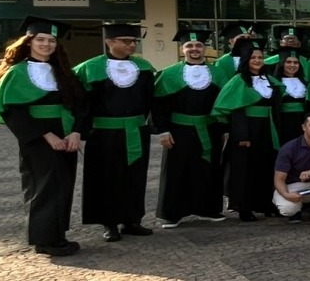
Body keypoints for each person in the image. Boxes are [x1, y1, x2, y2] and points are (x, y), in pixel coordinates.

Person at [0, 17, 88, 256]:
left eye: (51, 41)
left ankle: (57, 235)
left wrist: (76, 132)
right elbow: (13, 112)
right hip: (38, 140)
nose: (46, 44)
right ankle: (44, 240)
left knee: (63, 186)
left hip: (66, 136)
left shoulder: (63, 73)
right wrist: (46, 135)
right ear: (28, 42)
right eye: (40, 39)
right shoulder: (17, 73)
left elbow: (81, 106)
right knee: (44, 187)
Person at [75, 23, 157, 242]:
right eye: (126, 41)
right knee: (106, 178)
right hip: (103, 134)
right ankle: (109, 223)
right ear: (109, 42)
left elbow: (153, 98)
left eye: (134, 41)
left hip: (136, 130)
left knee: (135, 176)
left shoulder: (144, 67)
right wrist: (80, 132)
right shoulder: (89, 68)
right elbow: (81, 104)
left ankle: (132, 220)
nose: (131, 45)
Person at [152, 28, 230, 229]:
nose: (194, 49)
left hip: (209, 128)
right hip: (179, 130)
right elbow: (159, 104)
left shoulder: (218, 72)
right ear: (182, 48)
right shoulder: (169, 74)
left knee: (208, 169)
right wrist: (162, 130)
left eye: (199, 45)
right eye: (190, 46)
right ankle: (172, 213)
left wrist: (224, 129)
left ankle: (208, 209)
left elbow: (224, 103)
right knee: (177, 170)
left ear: (205, 48)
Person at [212, 39, 283, 222]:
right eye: (253, 57)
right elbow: (236, 110)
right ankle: (244, 207)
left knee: (267, 166)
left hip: (268, 128)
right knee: (245, 169)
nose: (258, 60)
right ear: (246, 60)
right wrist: (242, 135)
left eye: (260, 57)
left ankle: (266, 203)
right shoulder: (238, 81)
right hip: (247, 130)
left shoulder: (269, 80)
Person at [273, 47, 310, 144]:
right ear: (282, 64)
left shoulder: (305, 83)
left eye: (296, 62)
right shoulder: (274, 83)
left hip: (303, 121)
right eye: (288, 62)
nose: (292, 65)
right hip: (283, 122)